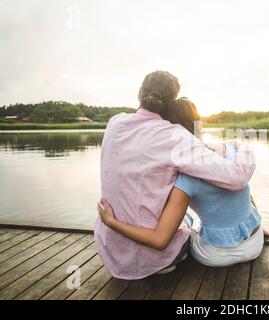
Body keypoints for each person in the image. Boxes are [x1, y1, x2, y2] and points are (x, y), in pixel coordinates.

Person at [95, 71, 255, 279]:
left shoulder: (114, 122)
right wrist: (243, 147)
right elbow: (237, 178)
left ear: (140, 94)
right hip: (153, 258)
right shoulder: (175, 136)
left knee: (182, 213)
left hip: (111, 254)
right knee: (187, 219)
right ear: (172, 102)